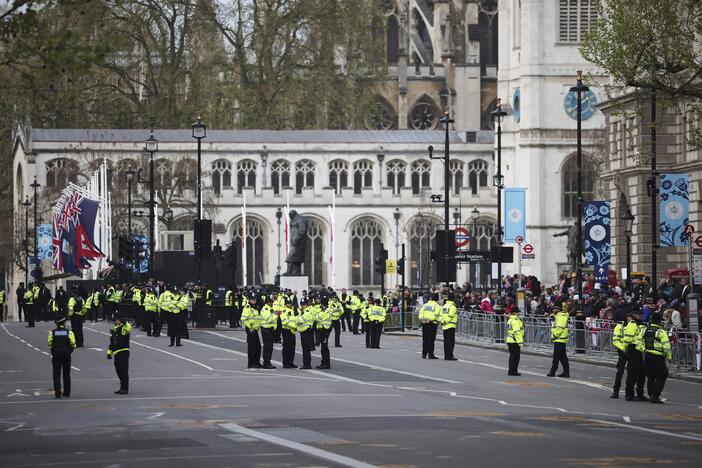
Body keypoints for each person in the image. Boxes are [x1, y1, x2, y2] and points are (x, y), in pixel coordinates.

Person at [643, 312, 671, 404]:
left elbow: (638, 342)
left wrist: (644, 349)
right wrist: (669, 356)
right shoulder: (661, 332)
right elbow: (666, 346)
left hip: (647, 355)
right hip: (658, 356)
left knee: (651, 376)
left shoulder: (645, 329)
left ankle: (651, 394)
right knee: (663, 375)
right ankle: (655, 395)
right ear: (659, 321)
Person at [48, 316, 76, 398]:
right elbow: (73, 343)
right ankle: (67, 392)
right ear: (64, 323)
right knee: (66, 374)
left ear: (56, 324)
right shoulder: (69, 332)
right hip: (66, 355)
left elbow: (49, 343)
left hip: (56, 355)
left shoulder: (52, 333)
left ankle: (57, 392)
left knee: (56, 374)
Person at [624, 308, 648, 401]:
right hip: (633, 349)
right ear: (634, 315)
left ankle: (640, 393)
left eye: (641, 314)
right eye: (638, 314)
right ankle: (629, 394)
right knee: (632, 373)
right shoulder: (632, 324)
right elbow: (627, 339)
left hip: (640, 350)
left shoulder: (641, 324)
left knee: (641, 374)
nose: (641, 315)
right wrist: (627, 350)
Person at [107, 314, 132, 395]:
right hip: (117, 352)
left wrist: (125, 323)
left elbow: (128, 328)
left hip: (123, 351)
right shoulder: (114, 329)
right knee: (118, 371)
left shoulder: (124, 327)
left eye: (116, 320)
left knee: (123, 371)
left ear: (120, 320)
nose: (114, 321)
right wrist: (109, 352)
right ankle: (122, 387)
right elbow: (112, 342)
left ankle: (125, 388)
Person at [547, 304, 570, 377]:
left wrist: (554, 335)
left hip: (559, 339)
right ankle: (566, 372)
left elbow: (560, 328)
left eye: (555, 309)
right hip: (559, 339)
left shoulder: (561, 316)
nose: (553, 310)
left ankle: (552, 371)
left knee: (556, 357)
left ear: (558, 309)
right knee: (563, 357)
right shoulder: (558, 316)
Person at [610, 311, 630, 399]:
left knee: (633, 372)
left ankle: (630, 392)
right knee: (620, 372)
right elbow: (615, 340)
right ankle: (616, 391)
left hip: (633, 351)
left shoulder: (634, 326)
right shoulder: (619, 326)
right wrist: (623, 348)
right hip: (623, 352)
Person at [241, 295, 262, 368]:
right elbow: (243, 319)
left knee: (258, 347)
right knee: (252, 347)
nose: (254, 301)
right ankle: (251, 363)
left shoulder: (255, 308)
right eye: (252, 300)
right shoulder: (247, 307)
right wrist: (250, 327)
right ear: (249, 300)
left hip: (255, 330)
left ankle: (257, 362)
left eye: (255, 299)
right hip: (251, 329)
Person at [418, 293, 440, 359]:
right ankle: (430, 354)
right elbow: (435, 315)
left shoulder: (425, 305)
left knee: (425, 339)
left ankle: (424, 354)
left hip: (424, 323)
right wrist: (429, 320)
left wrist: (423, 320)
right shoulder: (437, 306)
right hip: (432, 324)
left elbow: (420, 314)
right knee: (431, 340)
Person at [259, 296, 277, 369]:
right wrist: (276, 314)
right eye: (270, 302)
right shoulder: (265, 309)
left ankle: (268, 362)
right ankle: (266, 362)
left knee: (270, 347)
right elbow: (269, 319)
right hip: (266, 330)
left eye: (272, 302)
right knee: (267, 347)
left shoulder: (270, 309)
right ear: (267, 302)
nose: (271, 303)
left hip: (270, 330)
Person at [297, 300, 316, 369]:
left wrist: (296, 318)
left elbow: (299, 320)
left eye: (304, 304)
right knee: (305, 349)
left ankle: (307, 364)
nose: (302, 306)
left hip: (307, 332)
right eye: (301, 304)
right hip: (303, 332)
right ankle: (306, 363)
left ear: (307, 305)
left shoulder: (307, 312)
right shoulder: (303, 312)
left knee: (306, 349)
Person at [506, 306, 524, 376]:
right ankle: (513, 371)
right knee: (516, 357)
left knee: (512, 357)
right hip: (515, 341)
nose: (518, 313)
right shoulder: (515, 321)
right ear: (514, 313)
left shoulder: (510, 319)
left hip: (510, 340)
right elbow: (517, 332)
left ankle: (511, 370)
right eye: (517, 312)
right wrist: (521, 342)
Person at [280, 298, 298, 368]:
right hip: (286, 331)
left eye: (290, 303)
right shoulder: (284, 311)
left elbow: (296, 319)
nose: (289, 304)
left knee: (292, 347)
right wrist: (294, 326)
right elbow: (285, 322)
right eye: (288, 303)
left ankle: (291, 362)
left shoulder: (293, 310)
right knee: (286, 347)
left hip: (292, 331)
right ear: (285, 304)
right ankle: (285, 362)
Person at [316, 298, 333, 369]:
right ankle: (323, 362)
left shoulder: (326, 311)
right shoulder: (325, 310)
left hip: (325, 330)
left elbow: (317, 318)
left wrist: (318, 312)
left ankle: (326, 363)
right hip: (322, 329)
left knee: (324, 347)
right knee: (323, 347)